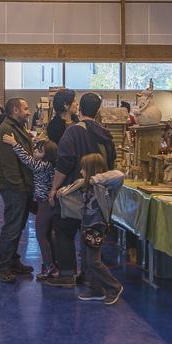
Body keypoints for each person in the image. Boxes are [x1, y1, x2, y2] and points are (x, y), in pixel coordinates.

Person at [46, 92, 116, 289]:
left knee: (63, 231)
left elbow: (64, 162)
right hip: (97, 194)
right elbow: (111, 163)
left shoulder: (73, 132)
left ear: (79, 108)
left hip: (73, 193)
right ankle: (88, 274)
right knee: (90, 233)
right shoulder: (106, 135)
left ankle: (67, 275)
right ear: (98, 110)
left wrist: (54, 188)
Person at [55, 152, 124, 305]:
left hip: (97, 226)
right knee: (86, 260)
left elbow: (119, 175)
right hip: (86, 225)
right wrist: (62, 192)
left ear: (92, 170)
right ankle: (95, 289)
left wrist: (96, 179)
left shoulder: (104, 185)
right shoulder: (84, 183)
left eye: (84, 169)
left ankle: (113, 287)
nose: (81, 172)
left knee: (93, 261)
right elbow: (71, 188)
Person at [3, 133, 58, 279]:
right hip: (49, 203)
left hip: (45, 203)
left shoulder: (42, 165)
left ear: (47, 155)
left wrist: (14, 143)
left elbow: (27, 160)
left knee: (40, 235)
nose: (34, 152)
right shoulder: (50, 165)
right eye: (35, 149)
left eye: (39, 151)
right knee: (49, 233)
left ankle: (48, 265)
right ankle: (55, 263)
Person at [0, 97, 35, 283]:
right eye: (25, 109)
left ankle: (12, 260)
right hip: (13, 188)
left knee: (18, 226)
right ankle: (3, 266)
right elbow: (10, 166)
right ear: (16, 110)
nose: (28, 112)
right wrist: (19, 189)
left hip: (22, 186)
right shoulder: (6, 130)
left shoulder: (17, 127)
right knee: (12, 226)